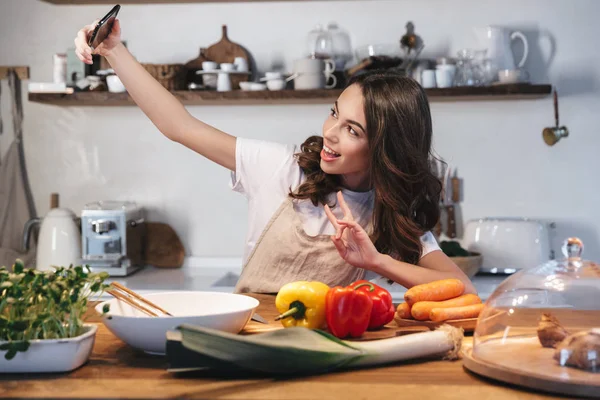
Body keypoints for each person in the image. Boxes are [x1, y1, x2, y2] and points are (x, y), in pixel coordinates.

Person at [74, 19, 477, 295]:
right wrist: (114, 51)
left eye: (353, 130)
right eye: (335, 113)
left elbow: (462, 288)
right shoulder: (283, 168)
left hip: (325, 349)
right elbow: (178, 125)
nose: (330, 134)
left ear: (385, 151)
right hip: (248, 341)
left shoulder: (389, 214)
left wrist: (378, 261)